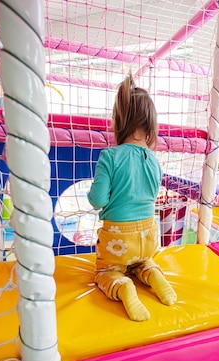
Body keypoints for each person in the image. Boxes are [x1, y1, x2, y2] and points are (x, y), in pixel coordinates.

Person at [87, 73, 177, 321]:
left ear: (118, 121)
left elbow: (98, 200)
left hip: (118, 237)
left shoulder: (110, 156)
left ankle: (122, 285)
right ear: (150, 126)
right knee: (141, 263)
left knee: (106, 271)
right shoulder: (155, 163)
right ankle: (153, 274)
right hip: (148, 235)